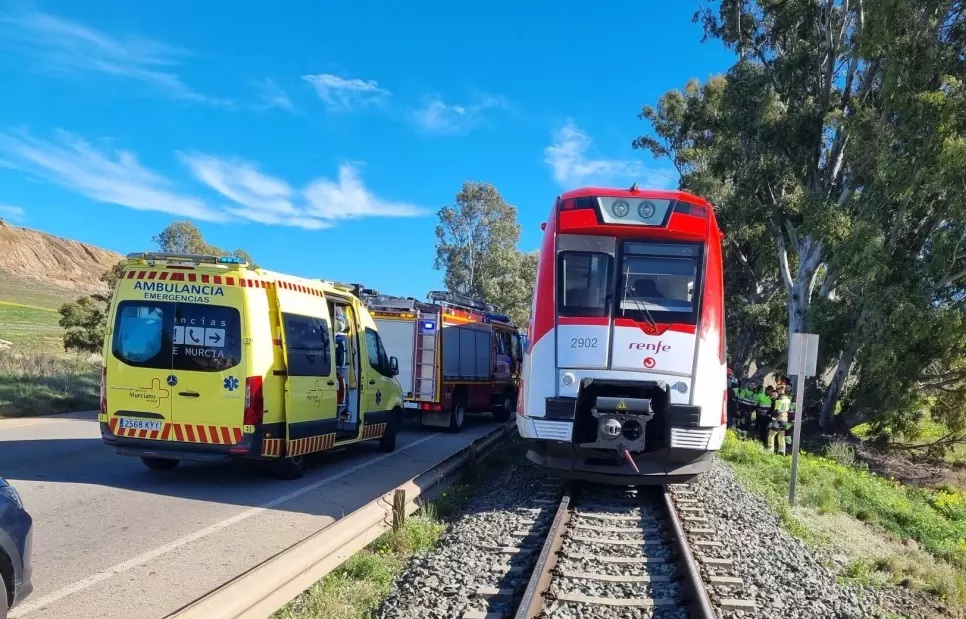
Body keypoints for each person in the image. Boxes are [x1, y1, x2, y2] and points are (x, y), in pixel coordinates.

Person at [768, 384, 792, 455]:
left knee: (771, 435)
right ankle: (782, 451)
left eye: (777, 390)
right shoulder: (787, 399)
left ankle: (770, 450)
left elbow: (777, 412)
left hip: (778, 419)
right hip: (785, 419)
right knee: (781, 436)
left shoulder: (779, 400)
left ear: (778, 390)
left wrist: (772, 421)